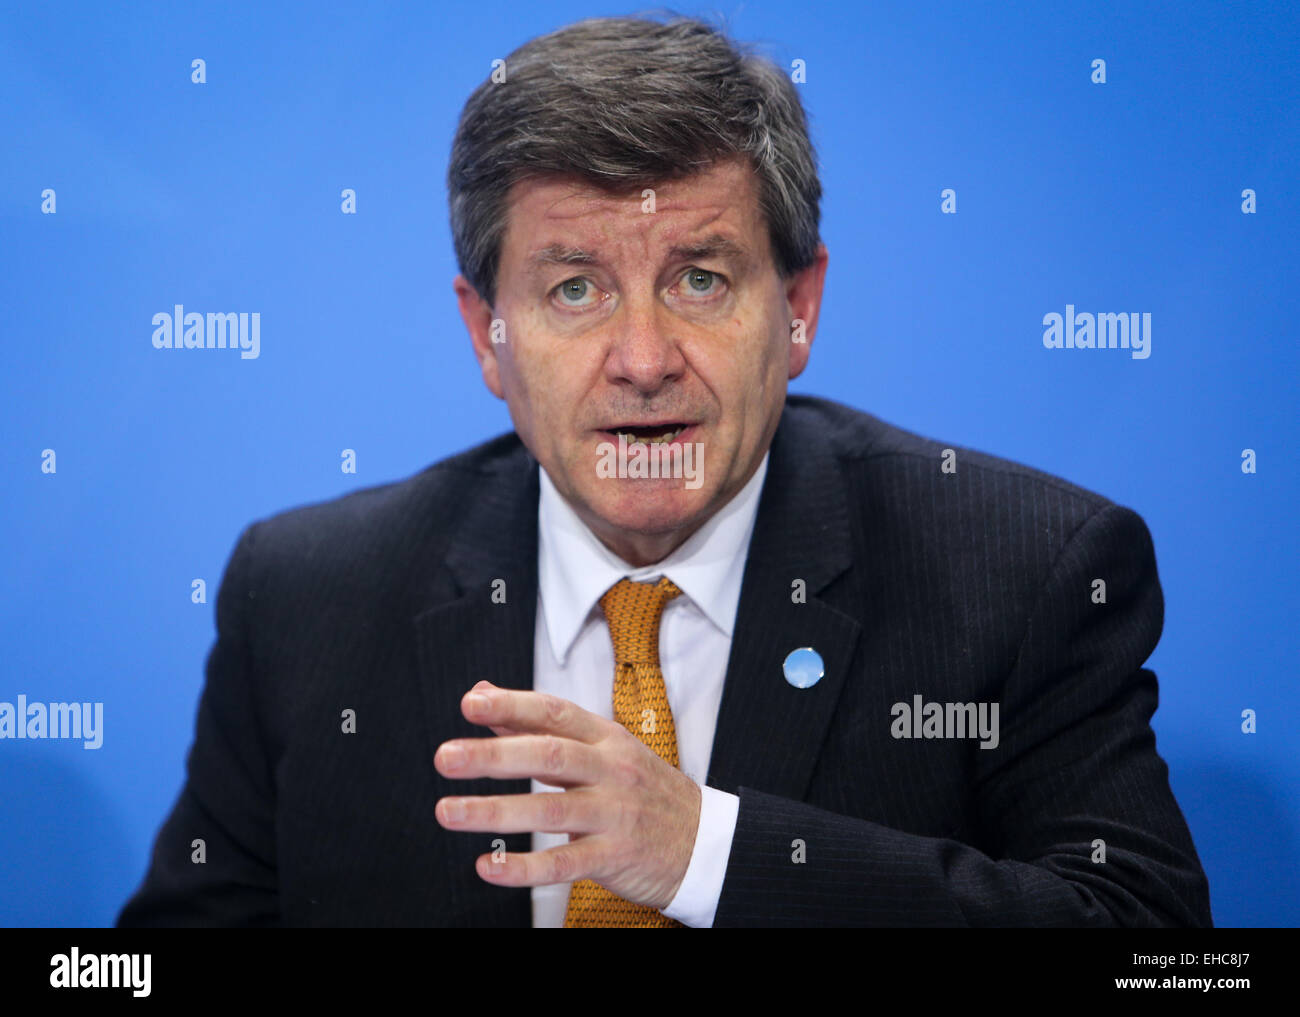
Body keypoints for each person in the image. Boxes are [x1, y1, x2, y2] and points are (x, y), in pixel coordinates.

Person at [117, 14, 1212, 928]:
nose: (642, 362)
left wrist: (711, 852)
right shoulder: (306, 593)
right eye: (575, 291)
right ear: (486, 336)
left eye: (697, 279)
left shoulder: (1023, 572)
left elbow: (1157, 952)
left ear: (796, 309)